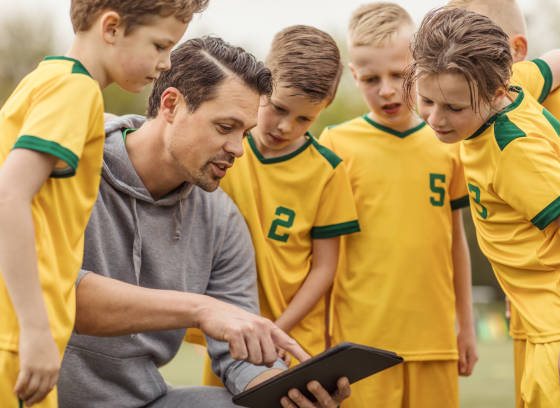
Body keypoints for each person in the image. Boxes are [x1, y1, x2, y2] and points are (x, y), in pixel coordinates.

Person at [56, 36, 351, 408]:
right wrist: (200, 308)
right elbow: (58, 293)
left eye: (244, 132)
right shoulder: (71, 166)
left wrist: (287, 390)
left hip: (143, 400)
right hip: (38, 393)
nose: (239, 149)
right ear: (171, 105)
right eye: (225, 127)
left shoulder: (222, 220)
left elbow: (237, 355)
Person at [0, 0, 206, 406]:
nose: (165, 63)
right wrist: (36, 331)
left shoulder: (47, 79)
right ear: (111, 28)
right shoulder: (75, 92)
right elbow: (8, 195)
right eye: (160, 45)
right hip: (15, 340)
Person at [406, 6, 560, 407]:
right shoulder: (515, 82)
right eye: (427, 99)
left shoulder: (514, 151)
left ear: (496, 91)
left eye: (454, 108)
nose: (435, 119)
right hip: (538, 321)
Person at [318, 3, 476, 407]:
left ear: (420, 68)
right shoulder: (335, 145)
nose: (386, 89)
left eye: (399, 75)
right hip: (359, 347)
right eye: (371, 78)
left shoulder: (448, 142)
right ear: (353, 76)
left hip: (435, 340)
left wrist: (466, 325)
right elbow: (321, 253)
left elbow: (455, 240)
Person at [186, 24, 360, 386]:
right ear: (263, 86)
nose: (285, 126)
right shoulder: (222, 150)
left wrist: (275, 332)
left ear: (323, 110)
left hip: (290, 340)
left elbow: (324, 269)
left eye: (304, 119)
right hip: (229, 337)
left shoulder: (327, 172)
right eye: (278, 108)